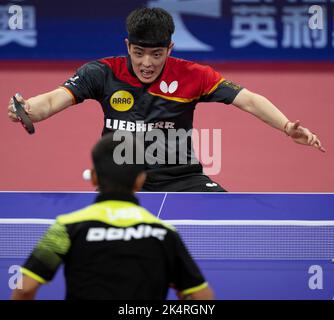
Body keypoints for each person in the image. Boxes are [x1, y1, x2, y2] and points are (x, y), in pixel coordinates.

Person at [7, 7, 325, 192]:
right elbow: (51, 101)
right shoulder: (101, 73)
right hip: (123, 183)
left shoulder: (194, 75)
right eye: (139, 52)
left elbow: (249, 100)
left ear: (170, 49)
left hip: (184, 179)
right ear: (127, 44)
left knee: (233, 217)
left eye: (157, 54)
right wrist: (29, 109)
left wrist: (286, 127)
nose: (147, 63)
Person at [11, 132, 214, 300]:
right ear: (140, 180)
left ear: (93, 178)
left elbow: (24, 288)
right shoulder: (165, 234)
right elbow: (202, 299)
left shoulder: (64, 228)